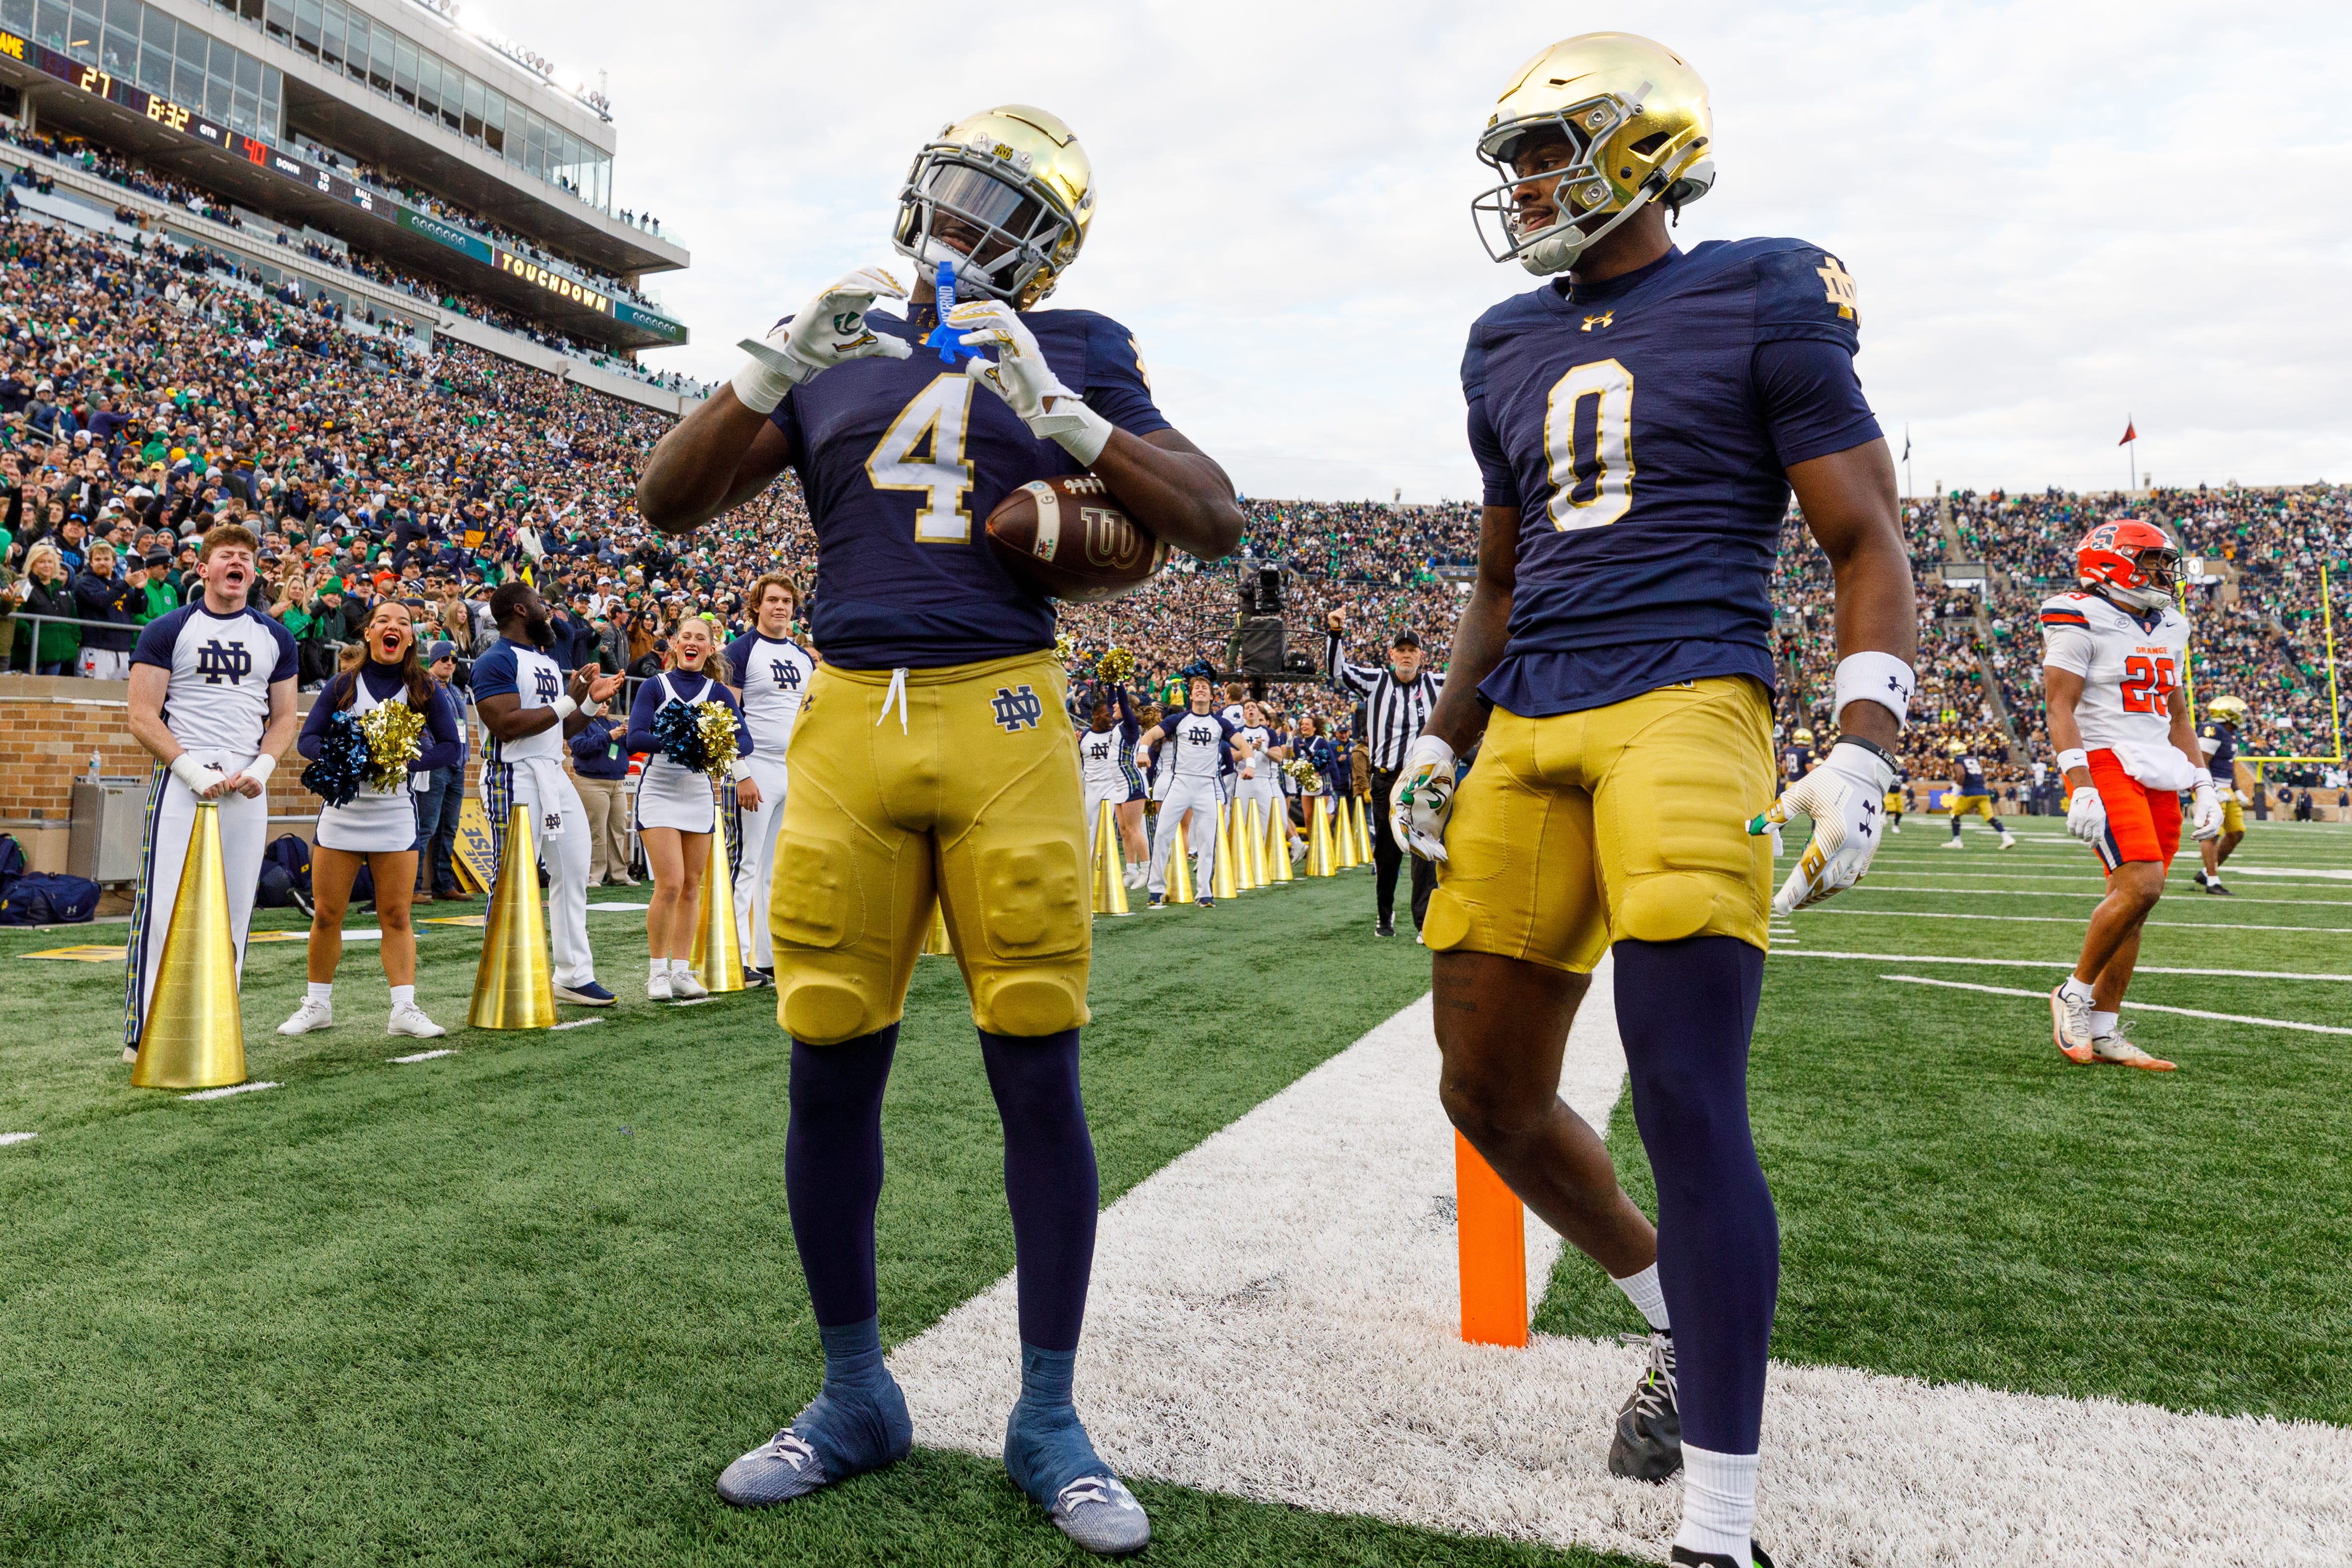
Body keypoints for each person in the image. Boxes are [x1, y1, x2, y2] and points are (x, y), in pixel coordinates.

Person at [635, 102, 1241, 1555]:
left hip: (1006, 715)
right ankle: (854, 1394)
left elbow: (1209, 517)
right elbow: (668, 501)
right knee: (828, 1064)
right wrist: (773, 359)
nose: (968, 223)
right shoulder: (840, 339)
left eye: (1004, 206)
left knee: (1036, 1066)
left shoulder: (1078, 340)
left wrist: (1075, 415)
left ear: (1050, 242)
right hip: (849, 715)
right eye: (958, 191)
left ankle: (1049, 1415)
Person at [1391, 35, 1916, 1568]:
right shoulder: (1500, 337)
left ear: (1639, 149)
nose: (1525, 186)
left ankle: (1722, 1527)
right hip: (1530, 717)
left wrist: (1863, 749)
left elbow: (1864, 535)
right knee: (1483, 1089)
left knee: (1685, 1094)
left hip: (1690, 699)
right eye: (1516, 163)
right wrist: (1443, 733)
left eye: (1547, 154)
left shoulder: (1760, 287)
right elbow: (1498, 574)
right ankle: (1676, 1310)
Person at [122, 523, 300, 1061]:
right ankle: (145, 1030)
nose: (237, 563)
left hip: (246, 789)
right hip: (183, 783)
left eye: (246, 556)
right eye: (227, 555)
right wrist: (194, 772)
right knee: (163, 904)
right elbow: (141, 716)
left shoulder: (277, 637)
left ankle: (215, 1022)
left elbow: (286, 716)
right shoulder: (167, 628)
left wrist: (264, 768)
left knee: (235, 909)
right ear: (204, 568)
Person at [2044, 520, 2217, 1072]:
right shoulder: (2077, 613)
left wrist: (2202, 782)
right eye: (2151, 562)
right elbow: (2059, 707)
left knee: (2136, 905)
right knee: (2142, 882)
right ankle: (2073, 993)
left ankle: (2103, 1029)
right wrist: (2080, 786)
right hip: (2104, 759)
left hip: (2156, 764)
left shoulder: (2171, 624)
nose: (2162, 573)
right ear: (2111, 562)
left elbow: (2177, 712)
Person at [278, 602, 463, 1039]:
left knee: (397, 914)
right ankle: (317, 1003)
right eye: (383, 621)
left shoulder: (424, 687)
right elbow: (307, 739)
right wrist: (346, 757)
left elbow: (451, 747)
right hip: (342, 814)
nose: (392, 627)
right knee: (326, 914)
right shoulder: (344, 683)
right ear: (368, 633)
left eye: (402, 622)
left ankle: (404, 1008)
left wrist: (404, 760)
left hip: (396, 812)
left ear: (411, 638)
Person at [470, 581, 625, 1008]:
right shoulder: (493, 661)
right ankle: (504, 974)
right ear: (521, 610)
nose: (549, 611)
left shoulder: (542, 660)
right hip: (512, 776)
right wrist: (565, 702)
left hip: (553, 773)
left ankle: (574, 974)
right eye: (542, 604)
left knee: (574, 869)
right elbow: (506, 725)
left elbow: (558, 731)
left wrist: (589, 704)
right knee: (513, 879)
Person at [624, 615, 754, 1001]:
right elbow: (635, 737)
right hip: (660, 791)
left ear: (710, 648)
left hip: (699, 793)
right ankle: (657, 973)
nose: (693, 643)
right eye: (686, 637)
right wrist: (681, 742)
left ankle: (682, 970)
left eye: (701, 638)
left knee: (693, 886)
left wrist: (710, 746)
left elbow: (743, 741)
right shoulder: (654, 686)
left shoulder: (719, 693)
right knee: (670, 883)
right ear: (675, 644)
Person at [1328, 612, 1444, 936]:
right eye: (1401, 650)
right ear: (1391, 654)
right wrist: (1336, 632)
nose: (1406, 655)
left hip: (1422, 782)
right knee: (1389, 853)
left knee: (1424, 853)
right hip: (1386, 778)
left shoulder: (1436, 684)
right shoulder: (1376, 681)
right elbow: (1338, 671)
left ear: (1422, 655)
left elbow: (1473, 677)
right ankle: (1384, 916)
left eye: (1412, 650)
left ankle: (1425, 922)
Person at [724, 572, 813, 984]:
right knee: (745, 863)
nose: (781, 607)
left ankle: (766, 956)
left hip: (791, 767)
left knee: (776, 868)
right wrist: (740, 772)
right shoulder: (740, 651)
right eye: (773, 600)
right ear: (756, 605)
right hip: (755, 765)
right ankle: (734, 956)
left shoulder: (802, 657)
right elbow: (726, 717)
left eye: (787, 602)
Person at [1138, 676, 1241, 909]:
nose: (1201, 690)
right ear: (1191, 696)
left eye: (1206, 688)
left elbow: (1242, 745)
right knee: (1163, 834)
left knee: (1207, 841)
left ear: (1212, 697)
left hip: (1207, 786)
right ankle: (1156, 889)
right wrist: (1143, 750)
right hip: (1180, 783)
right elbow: (1149, 735)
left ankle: (1205, 892)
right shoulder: (1179, 719)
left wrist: (1252, 763)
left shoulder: (1220, 723)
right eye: (1197, 688)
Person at [1077, 682, 1146, 888]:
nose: (1113, 708)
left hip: (1129, 780)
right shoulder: (1116, 727)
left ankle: (1146, 869)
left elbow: (1122, 703)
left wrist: (1118, 683)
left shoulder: (1130, 725)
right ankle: (1131, 871)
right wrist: (1109, 684)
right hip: (1116, 784)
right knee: (1124, 831)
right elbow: (1114, 702)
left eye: (1116, 707)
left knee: (1135, 829)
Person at [568, 702, 635, 888]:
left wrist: (630, 737)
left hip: (617, 782)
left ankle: (619, 874)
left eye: (608, 703)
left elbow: (627, 751)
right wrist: (609, 737)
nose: (605, 706)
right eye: (601, 703)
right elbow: (580, 748)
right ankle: (593, 876)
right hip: (592, 782)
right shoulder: (579, 725)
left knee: (619, 829)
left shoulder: (613, 723)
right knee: (595, 830)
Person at [2192, 694, 2248, 894]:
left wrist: (2238, 790)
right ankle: (2212, 881)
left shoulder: (2230, 734)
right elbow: (2201, 761)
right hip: (2212, 788)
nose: (2243, 716)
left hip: (2226, 789)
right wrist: (2210, 789)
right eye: (2240, 712)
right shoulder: (2212, 730)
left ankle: (2206, 872)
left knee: (2237, 833)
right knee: (2212, 835)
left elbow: (2229, 767)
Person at [1940, 739, 2017, 848]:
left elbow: (1961, 774)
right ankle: (2007, 838)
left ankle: (1957, 840)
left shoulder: (1958, 760)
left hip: (1970, 794)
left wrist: (1956, 788)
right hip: (1983, 793)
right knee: (1990, 818)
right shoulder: (1973, 759)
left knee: (1954, 815)